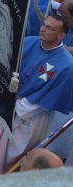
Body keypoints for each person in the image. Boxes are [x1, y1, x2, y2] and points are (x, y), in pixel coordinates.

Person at [5, 15, 73, 167]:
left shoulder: (66, 65)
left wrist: (12, 108)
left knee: (11, 156)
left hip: (30, 116)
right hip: (7, 104)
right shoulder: (29, 42)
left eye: (50, 28)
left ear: (61, 35)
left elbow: (47, 100)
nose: (43, 29)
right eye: (44, 24)